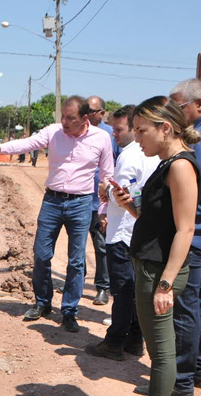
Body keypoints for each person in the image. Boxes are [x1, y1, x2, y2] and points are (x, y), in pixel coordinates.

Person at [132, 79, 201, 396]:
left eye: (179, 106)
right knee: (196, 303)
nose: (179, 114)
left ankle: (181, 379)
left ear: (198, 104)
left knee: (181, 310)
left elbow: (187, 190)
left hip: (192, 235)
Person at [102, 96, 201, 396]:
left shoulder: (180, 167)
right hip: (149, 266)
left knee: (161, 354)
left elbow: (185, 231)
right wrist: (131, 208)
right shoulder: (164, 163)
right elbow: (158, 225)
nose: (136, 137)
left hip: (159, 273)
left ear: (166, 128)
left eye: (142, 131)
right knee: (159, 350)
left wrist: (165, 284)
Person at [0, 96, 114, 332]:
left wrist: (104, 211)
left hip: (81, 204)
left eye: (70, 118)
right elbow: (28, 143)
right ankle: (42, 303)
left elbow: (107, 176)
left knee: (76, 261)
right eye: (62, 116)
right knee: (41, 255)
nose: (64, 121)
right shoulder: (54, 132)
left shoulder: (102, 138)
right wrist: (1, 148)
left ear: (85, 118)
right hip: (52, 201)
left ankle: (69, 311)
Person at [85, 105, 160, 361]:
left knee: (123, 290)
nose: (113, 134)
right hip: (140, 233)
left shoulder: (129, 156)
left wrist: (107, 191)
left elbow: (124, 195)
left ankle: (115, 341)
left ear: (133, 128)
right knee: (137, 289)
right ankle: (134, 340)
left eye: (119, 129)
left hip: (123, 233)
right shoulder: (154, 155)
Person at [85, 95, 117, 306]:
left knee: (101, 246)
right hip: (81, 198)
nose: (86, 114)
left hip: (100, 202)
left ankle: (103, 287)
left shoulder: (110, 135)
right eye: (85, 111)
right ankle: (76, 282)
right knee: (77, 244)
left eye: (91, 111)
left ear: (102, 113)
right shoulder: (80, 132)